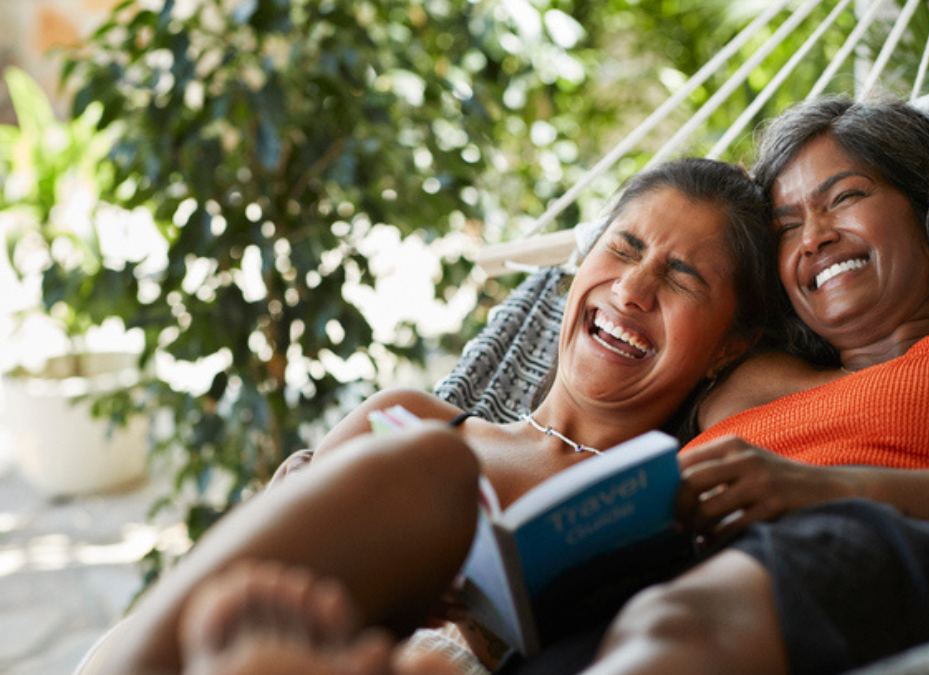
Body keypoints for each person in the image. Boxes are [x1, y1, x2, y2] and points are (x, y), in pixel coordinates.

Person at [500, 97, 929, 675]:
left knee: (683, 619)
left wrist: (826, 490)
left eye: (843, 198)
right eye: (787, 226)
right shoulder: (736, 379)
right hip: (665, 594)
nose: (814, 237)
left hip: (893, 572)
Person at [73, 157, 784, 675]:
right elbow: (243, 563)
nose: (632, 288)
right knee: (422, 465)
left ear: (732, 344)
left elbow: (868, 368)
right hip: (219, 647)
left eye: (681, 278)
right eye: (622, 248)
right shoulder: (413, 417)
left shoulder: (670, 499)